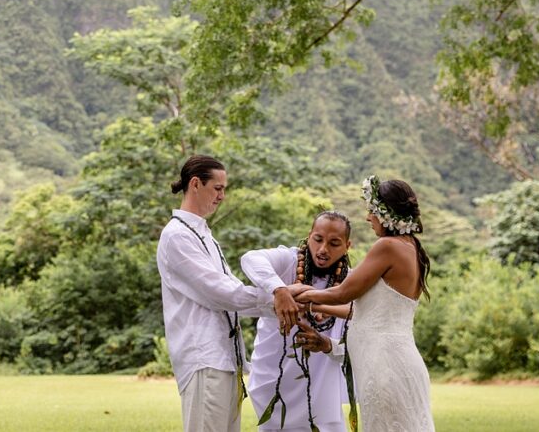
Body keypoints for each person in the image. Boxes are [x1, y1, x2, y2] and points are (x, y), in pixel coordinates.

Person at [290, 176, 435, 432]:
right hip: (394, 361)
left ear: (384, 212)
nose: (368, 217)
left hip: (385, 366)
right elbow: (362, 311)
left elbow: (342, 293)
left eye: (371, 210)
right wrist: (314, 306)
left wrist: (295, 291)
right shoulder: (410, 247)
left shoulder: (387, 246)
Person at [156, 155, 278, 432]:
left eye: (225, 189)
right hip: (205, 358)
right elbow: (221, 293)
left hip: (225, 359)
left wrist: (281, 299)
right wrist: (279, 297)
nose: (222, 196)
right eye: (218, 188)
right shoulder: (177, 236)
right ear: (196, 184)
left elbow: (232, 295)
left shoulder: (203, 234)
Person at [241, 211, 354, 432]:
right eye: (318, 239)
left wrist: (315, 309)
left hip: (322, 384)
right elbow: (250, 258)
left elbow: (359, 317)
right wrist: (279, 290)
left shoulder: (350, 281)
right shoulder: (289, 261)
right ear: (309, 236)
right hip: (275, 377)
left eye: (334, 243)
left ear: (347, 246)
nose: (323, 250)